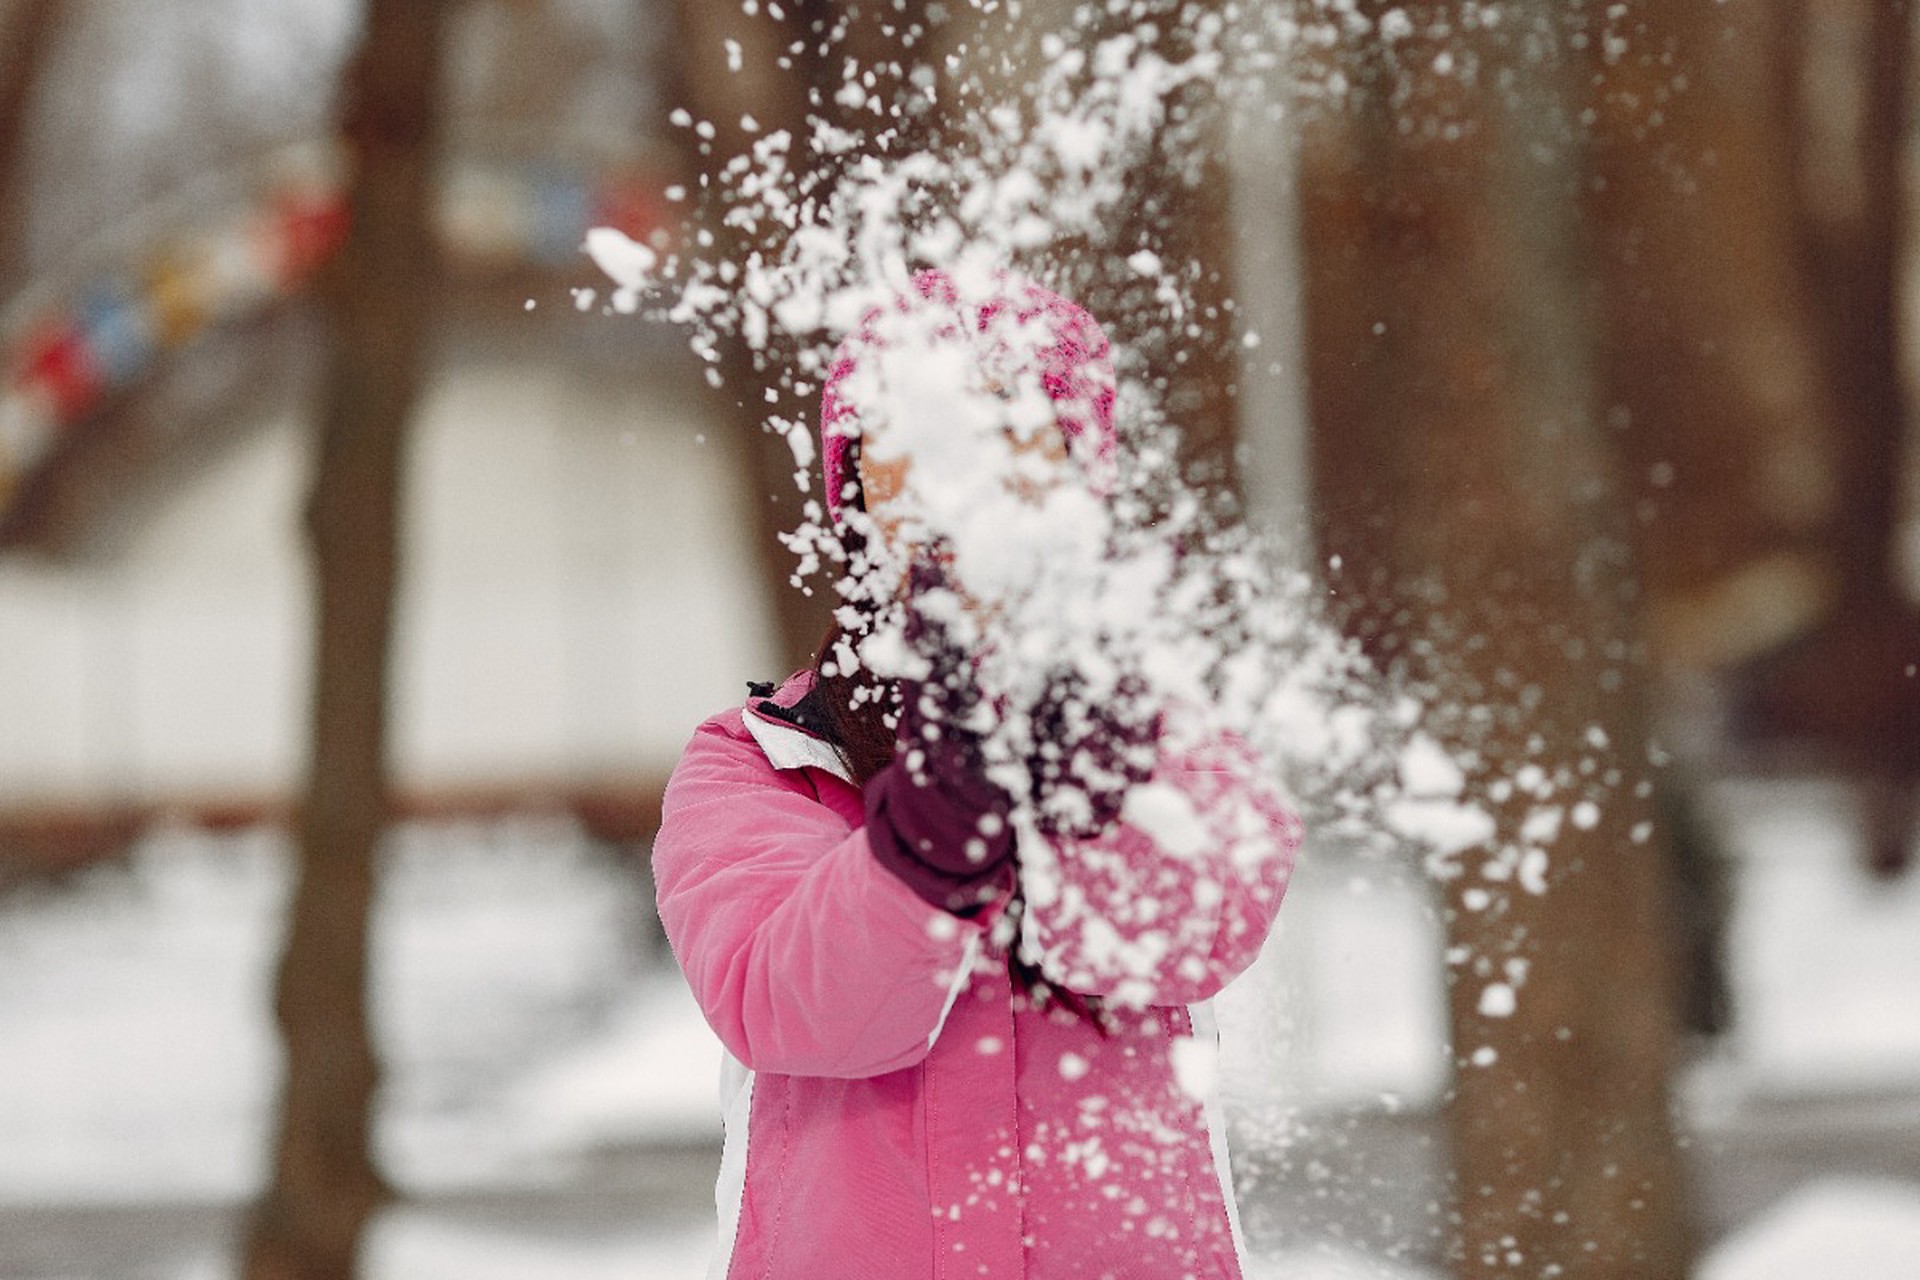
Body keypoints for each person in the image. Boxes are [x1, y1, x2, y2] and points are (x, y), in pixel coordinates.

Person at [653, 269, 1299, 1280]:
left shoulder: (1166, 733)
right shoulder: (765, 758)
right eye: (917, 444)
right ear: (857, 490)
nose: (962, 491)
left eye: (1009, 443)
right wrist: (921, 849)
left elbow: (1197, 924)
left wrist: (1084, 798)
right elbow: (782, 1001)